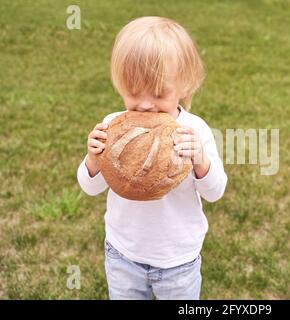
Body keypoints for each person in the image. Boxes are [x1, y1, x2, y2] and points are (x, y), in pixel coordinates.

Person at [76, 16, 228, 300]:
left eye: (159, 93)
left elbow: (215, 192)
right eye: (133, 92)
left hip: (178, 260)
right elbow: (90, 187)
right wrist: (93, 161)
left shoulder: (194, 131)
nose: (145, 104)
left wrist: (200, 161)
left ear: (184, 87)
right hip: (123, 254)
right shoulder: (112, 126)